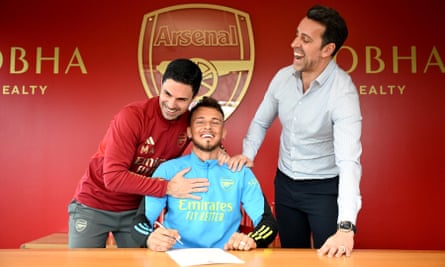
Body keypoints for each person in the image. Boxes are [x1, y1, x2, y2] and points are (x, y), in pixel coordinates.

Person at [229, 5, 362, 257]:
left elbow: (349, 162)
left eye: (305, 39)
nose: (294, 43)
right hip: (286, 184)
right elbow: (260, 122)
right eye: (297, 34)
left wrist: (346, 228)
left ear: (327, 49)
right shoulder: (282, 77)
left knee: (331, 257)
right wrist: (249, 152)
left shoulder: (342, 93)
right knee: (291, 256)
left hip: (323, 189)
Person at [68, 58, 213, 248]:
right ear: (160, 86)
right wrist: (168, 187)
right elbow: (113, 178)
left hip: (135, 213)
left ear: (192, 98)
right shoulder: (133, 116)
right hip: (94, 204)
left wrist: (221, 154)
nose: (171, 104)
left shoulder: (189, 122)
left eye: (181, 100)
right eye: (167, 94)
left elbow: (210, 144)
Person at [131, 96, 278, 251]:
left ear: (223, 133)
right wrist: (149, 238)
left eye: (215, 122)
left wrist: (252, 240)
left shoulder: (240, 172)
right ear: (189, 132)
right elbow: (140, 221)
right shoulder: (167, 170)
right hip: (176, 258)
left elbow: (267, 223)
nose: (208, 127)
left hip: (226, 258)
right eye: (200, 121)